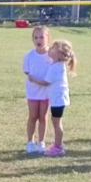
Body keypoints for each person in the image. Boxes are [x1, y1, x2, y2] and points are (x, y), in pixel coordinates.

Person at [43, 40, 76, 157]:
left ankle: (58, 147)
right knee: (56, 122)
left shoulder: (55, 67)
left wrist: (33, 79)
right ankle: (57, 145)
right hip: (58, 98)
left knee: (57, 123)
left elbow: (46, 82)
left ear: (59, 54)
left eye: (53, 48)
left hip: (58, 100)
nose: (49, 49)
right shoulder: (58, 65)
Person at [23, 25, 51, 155]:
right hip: (33, 92)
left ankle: (41, 142)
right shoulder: (29, 56)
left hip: (46, 93)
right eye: (36, 37)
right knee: (33, 116)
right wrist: (35, 80)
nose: (39, 40)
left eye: (41, 37)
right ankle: (30, 142)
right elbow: (28, 73)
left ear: (48, 38)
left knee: (43, 117)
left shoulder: (51, 56)